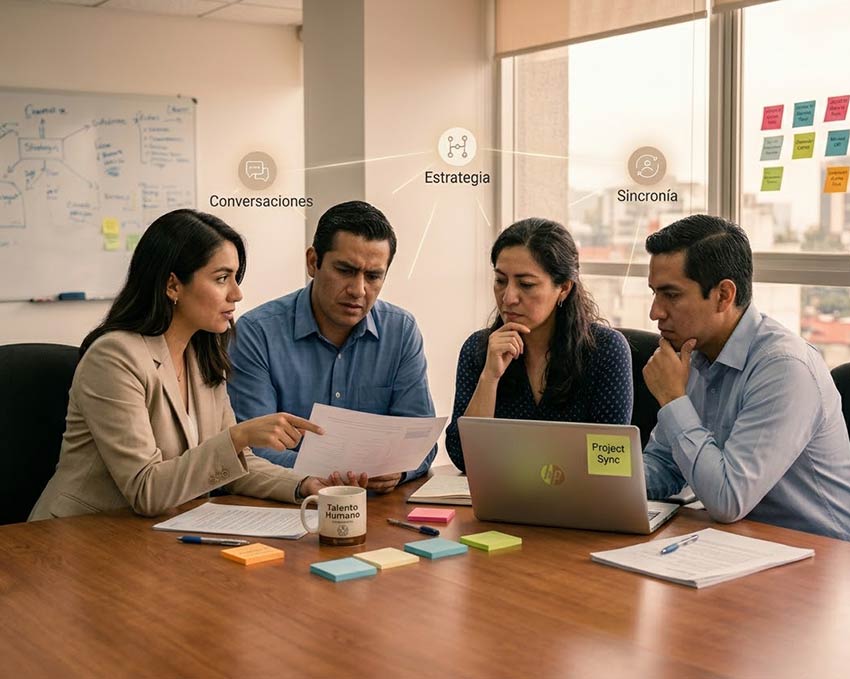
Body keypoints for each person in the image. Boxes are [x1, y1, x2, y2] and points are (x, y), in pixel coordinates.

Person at [30, 209, 363, 521]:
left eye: (236, 278)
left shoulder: (202, 355)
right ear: (173, 285)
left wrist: (303, 485)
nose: (237, 294)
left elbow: (238, 464)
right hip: (76, 538)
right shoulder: (115, 358)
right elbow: (146, 490)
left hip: (149, 537)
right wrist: (238, 436)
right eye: (222, 278)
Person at [641, 214, 850, 540]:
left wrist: (672, 398)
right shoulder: (692, 355)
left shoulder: (784, 368)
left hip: (818, 557)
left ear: (724, 295)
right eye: (654, 293)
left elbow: (727, 499)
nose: (655, 312)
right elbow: (664, 464)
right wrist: (598, 484)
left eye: (671, 295)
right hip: (741, 544)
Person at [227, 200, 436, 493]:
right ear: (313, 262)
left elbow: (420, 441)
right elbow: (251, 449)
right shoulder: (256, 332)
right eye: (345, 270)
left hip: (375, 508)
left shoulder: (401, 330)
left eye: (373, 276)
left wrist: (400, 471)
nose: (358, 290)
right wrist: (338, 476)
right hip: (289, 506)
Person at [445, 217, 633, 472]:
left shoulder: (606, 349)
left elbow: (610, 461)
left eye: (526, 284)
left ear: (564, 288)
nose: (508, 297)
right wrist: (489, 378)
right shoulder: (479, 348)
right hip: (502, 501)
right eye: (500, 281)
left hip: (579, 503)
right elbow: (462, 457)